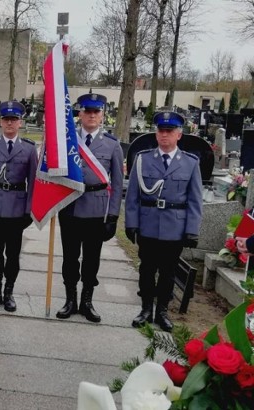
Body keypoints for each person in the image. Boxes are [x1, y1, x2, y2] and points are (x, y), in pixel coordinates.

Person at [125, 111, 203, 332]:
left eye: (169, 131)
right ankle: (146, 309)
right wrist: (131, 223)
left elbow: (195, 200)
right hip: (148, 224)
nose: (164, 135)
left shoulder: (190, 163)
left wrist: (192, 230)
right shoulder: (143, 159)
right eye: (161, 131)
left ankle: (162, 311)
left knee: (168, 272)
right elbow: (132, 196)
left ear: (179, 134)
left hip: (174, 228)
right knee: (147, 270)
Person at [56, 93, 124, 323]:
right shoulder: (67, 141)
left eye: (96, 111)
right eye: (87, 111)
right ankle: (70, 300)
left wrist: (113, 215)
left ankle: (87, 301)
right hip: (71, 208)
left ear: (102, 114)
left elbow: (117, 182)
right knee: (70, 258)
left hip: (97, 211)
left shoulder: (112, 145)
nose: (92, 115)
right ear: (80, 114)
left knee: (91, 260)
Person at [0, 101, 38, 312]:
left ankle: (9, 292)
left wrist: (29, 211)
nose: (9, 123)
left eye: (13, 120)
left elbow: (33, 182)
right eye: (6, 119)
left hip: (16, 211)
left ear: (20, 122)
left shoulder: (29, 149)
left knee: (12, 255)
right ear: (0, 122)